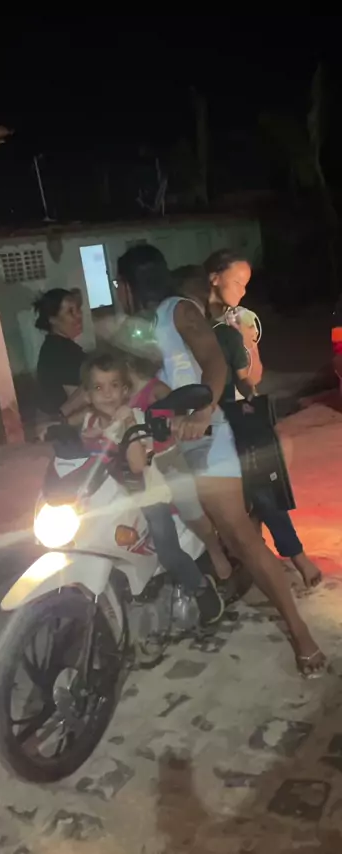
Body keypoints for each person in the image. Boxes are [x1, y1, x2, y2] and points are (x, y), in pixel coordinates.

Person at [116, 244, 325, 677]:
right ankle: (207, 578)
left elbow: (213, 362)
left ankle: (300, 633)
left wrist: (203, 410)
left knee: (243, 538)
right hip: (162, 441)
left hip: (203, 434)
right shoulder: (136, 327)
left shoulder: (178, 311)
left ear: (127, 285)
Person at [175, 261, 322, 591]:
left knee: (261, 484)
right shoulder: (209, 334)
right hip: (213, 421)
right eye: (238, 283)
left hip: (217, 420)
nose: (242, 292)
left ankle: (285, 553)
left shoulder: (223, 331)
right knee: (258, 488)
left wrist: (247, 348)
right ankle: (279, 555)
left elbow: (247, 378)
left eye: (245, 284)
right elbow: (246, 381)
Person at [80, 350, 224, 626]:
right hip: (110, 496)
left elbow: (136, 464)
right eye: (98, 388)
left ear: (125, 391)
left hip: (147, 494)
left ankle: (201, 588)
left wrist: (127, 425)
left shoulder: (135, 418)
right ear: (87, 395)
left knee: (167, 552)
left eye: (114, 386)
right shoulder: (90, 422)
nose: (107, 394)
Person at [126, 353, 233, 584]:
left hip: (166, 458)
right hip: (135, 465)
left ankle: (214, 549)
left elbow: (181, 412)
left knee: (190, 510)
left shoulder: (155, 389)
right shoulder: (114, 393)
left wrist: (174, 422)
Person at [35, 288, 87, 420]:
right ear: (53, 319)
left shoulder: (54, 346)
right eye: (70, 312)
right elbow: (78, 403)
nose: (78, 316)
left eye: (78, 309)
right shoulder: (61, 354)